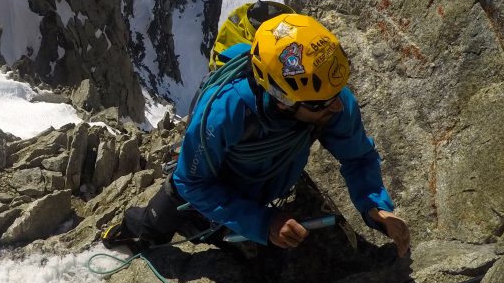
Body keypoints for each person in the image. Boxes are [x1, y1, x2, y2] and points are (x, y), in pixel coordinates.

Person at [103, 13, 410, 256]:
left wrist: (376, 208)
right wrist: (264, 223)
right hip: (210, 184)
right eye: (322, 103)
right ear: (283, 99)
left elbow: (357, 157)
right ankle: (131, 230)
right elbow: (192, 181)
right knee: (158, 226)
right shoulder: (227, 111)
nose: (337, 105)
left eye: (336, 94)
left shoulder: (324, 95)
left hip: (262, 182)